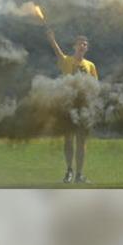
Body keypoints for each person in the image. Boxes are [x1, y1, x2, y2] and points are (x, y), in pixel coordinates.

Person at [46, 29, 98, 184]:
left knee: (81, 142)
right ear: (75, 46)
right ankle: (69, 171)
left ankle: (79, 175)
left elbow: (95, 85)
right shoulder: (67, 60)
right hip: (68, 105)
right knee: (68, 140)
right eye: (80, 44)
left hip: (84, 107)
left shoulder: (90, 65)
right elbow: (57, 52)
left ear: (86, 48)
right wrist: (51, 39)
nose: (83, 46)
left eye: (85, 44)